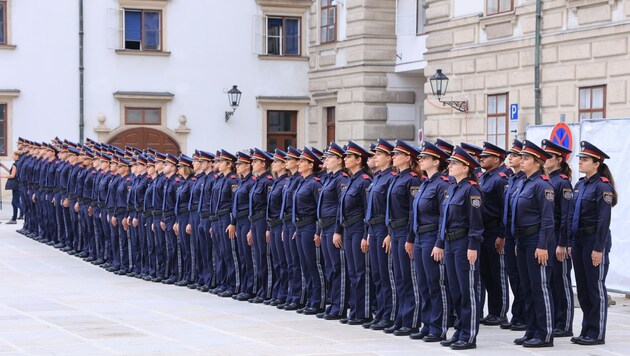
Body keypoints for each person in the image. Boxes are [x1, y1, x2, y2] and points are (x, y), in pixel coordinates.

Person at [568, 141, 616, 346]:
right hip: (579, 241)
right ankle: (586, 329)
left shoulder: (603, 187)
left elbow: (603, 221)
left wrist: (598, 248)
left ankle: (597, 333)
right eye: (580, 158)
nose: (580, 162)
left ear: (596, 163)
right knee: (584, 288)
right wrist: (571, 242)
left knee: (595, 287)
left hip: (594, 240)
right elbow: (572, 215)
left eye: (585, 159)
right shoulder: (580, 185)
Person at [438, 146, 483, 350]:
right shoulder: (452, 188)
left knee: (467, 290)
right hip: (450, 242)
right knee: (455, 289)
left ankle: (469, 334)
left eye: (454, 163)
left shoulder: (471, 189)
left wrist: (473, 246)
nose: (450, 166)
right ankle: (459, 329)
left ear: (465, 168)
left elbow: (476, 222)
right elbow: (444, 219)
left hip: (464, 243)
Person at [511, 140, 555, 348]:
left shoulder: (543, 185)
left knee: (540, 287)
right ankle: (531, 330)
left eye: (526, 158)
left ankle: (544, 333)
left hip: (537, 240)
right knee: (527, 287)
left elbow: (548, 219)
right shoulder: (523, 183)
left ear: (537, 163)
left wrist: (543, 245)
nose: (522, 161)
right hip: (523, 240)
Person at [407, 141, 451, 342]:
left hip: (433, 236)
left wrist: (440, 242)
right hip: (420, 237)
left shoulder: (442, 184)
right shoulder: (425, 183)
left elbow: (444, 216)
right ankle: (427, 323)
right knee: (423, 283)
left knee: (436, 283)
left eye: (425, 158)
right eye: (421, 158)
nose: (421, 160)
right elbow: (414, 213)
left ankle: (438, 326)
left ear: (436, 161)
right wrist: (411, 238)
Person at [384, 139, 421, 336]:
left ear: (408, 158)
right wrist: (390, 234)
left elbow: (413, 212)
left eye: (397, 154)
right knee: (398, 277)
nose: (393, 157)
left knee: (408, 277)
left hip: (405, 232)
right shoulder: (396, 178)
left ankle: (411, 320)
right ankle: (400, 317)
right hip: (394, 232)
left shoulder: (413, 180)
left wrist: (410, 237)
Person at [541, 139, 575, 338]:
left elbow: (566, 216)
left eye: (549, 156)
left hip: (558, 237)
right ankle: (554, 319)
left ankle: (565, 323)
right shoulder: (548, 181)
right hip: (548, 236)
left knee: (561, 280)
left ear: (559, 159)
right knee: (551, 280)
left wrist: (563, 242)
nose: (545, 159)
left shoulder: (562, 182)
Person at [338, 141, 372, 325]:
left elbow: (368, 210)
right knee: (352, 270)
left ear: (359, 160)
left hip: (359, 228)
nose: (345, 159)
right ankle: (355, 309)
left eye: (349, 156)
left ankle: (364, 311)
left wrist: (366, 235)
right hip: (348, 229)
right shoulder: (350, 180)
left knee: (360, 271)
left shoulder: (364, 181)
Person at [365, 139, 397, 331]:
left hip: (384, 229)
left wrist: (388, 232)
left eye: (379, 154)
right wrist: (369, 232)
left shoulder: (391, 177)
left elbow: (390, 209)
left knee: (387, 275)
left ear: (388, 158)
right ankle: (382, 312)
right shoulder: (377, 177)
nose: (375, 157)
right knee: (377, 274)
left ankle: (389, 314)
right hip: (374, 229)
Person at [477, 142, 510, 327]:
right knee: (486, 273)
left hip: (494, 229)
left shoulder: (501, 178)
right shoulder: (483, 177)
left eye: (485, 157)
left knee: (497, 273)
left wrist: (502, 235)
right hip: (483, 229)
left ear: (496, 159)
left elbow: (505, 209)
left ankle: (500, 312)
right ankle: (491, 311)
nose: (481, 159)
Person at [316, 142, 348, 321]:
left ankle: (339, 306)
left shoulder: (341, 179)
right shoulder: (329, 179)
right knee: (330, 268)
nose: (326, 160)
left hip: (334, 227)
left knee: (337, 268)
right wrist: (320, 230)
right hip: (325, 227)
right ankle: (332, 303)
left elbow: (340, 208)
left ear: (339, 160)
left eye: (329, 157)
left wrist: (338, 230)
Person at [293, 147, 325, 315]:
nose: (299, 163)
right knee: (304, 265)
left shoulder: (315, 183)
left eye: (302, 161)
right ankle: (309, 299)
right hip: (300, 227)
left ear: (311, 164)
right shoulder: (302, 182)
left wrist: (318, 231)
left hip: (310, 226)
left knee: (313, 265)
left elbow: (319, 209)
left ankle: (318, 301)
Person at [500, 140, 527, 331]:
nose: (511, 157)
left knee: (522, 276)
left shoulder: (525, 180)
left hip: (521, 233)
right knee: (513, 276)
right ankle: (517, 314)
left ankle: (523, 315)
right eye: (511, 155)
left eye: (516, 155)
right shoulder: (512, 179)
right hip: (509, 232)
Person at [248, 148, 275, 303]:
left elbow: (268, 207)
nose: (253, 164)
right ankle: (261, 290)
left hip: (263, 221)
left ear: (263, 164)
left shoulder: (268, 182)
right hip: (255, 222)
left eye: (255, 161)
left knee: (265, 257)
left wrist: (267, 228)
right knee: (257, 257)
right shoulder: (258, 181)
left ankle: (267, 291)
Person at [1, 151, 23, 224]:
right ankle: (14, 218)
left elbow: (12, 175)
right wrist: (3, 167)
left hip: (15, 185)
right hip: (18, 184)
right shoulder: (19, 163)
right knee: (14, 202)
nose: (13, 157)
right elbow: (12, 172)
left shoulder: (15, 164)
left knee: (15, 202)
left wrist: (3, 176)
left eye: (14, 155)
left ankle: (24, 211)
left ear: (17, 156)